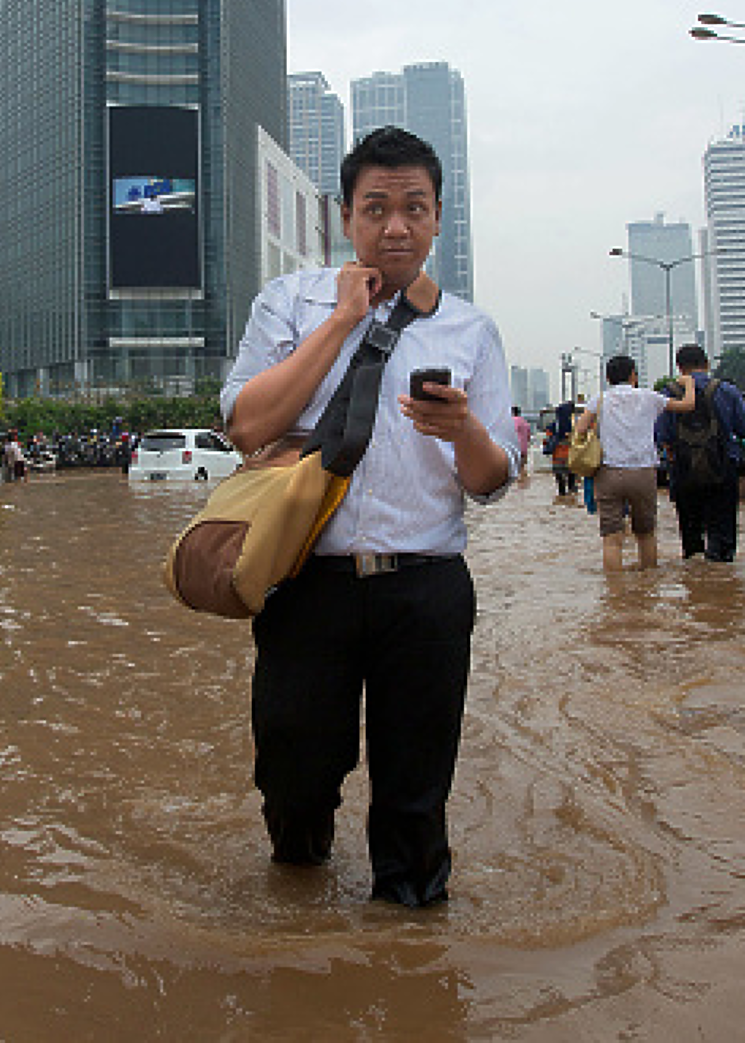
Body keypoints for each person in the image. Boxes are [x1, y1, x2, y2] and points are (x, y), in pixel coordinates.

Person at [221, 125, 519, 909]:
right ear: (346, 218)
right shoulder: (288, 303)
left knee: (416, 795)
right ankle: (298, 903)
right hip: (306, 582)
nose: (395, 225)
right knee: (293, 773)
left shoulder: (471, 329)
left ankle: (412, 950)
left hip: (425, 588)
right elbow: (246, 426)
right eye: (376, 207)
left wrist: (465, 433)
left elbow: (492, 483)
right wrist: (341, 321)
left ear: (438, 217)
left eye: (413, 208)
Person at [579, 355, 697, 571]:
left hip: (609, 472)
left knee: (612, 538)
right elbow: (688, 405)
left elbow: (580, 429)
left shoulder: (600, 400)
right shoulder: (650, 398)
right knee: (645, 534)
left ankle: (614, 594)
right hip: (643, 472)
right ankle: (648, 587)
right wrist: (689, 382)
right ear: (633, 374)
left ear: (608, 378)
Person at [656, 344, 745, 562]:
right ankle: (720, 582)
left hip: (684, 472)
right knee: (723, 536)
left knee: (691, 544)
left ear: (679, 367)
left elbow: (661, 435)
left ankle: (695, 586)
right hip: (723, 470)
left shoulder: (669, 394)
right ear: (707, 364)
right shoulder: (727, 391)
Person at [551, 394, 580, 500]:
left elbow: (550, 433)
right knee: (571, 474)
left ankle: (562, 495)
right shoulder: (573, 423)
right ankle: (571, 494)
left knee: (559, 475)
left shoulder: (556, 424)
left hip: (558, 453)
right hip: (570, 452)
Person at [511, 406, 532, 480]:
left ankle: (521, 485)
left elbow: (511, 433)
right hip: (524, 447)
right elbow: (529, 435)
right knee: (523, 467)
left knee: (515, 469)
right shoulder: (524, 421)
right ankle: (524, 482)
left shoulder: (512, 421)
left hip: (515, 447)